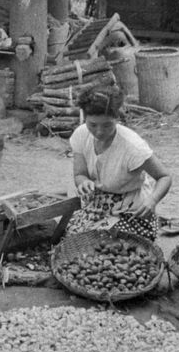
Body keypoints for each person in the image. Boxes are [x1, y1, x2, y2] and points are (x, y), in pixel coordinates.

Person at [66, 88, 171, 240]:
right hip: (97, 205)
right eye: (93, 125)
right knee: (76, 240)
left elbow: (164, 176)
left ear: (117, 118)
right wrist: (83, 182)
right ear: (85, 117)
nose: (100, 131)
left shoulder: (132, 147)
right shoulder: (81, 135)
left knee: (112, 243)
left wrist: (152, 200)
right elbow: (80, 174)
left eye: (107, 125)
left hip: (131, 210)